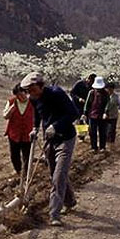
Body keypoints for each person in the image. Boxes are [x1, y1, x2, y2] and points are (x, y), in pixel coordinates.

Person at [20, 72, 79, 227]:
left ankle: (54, 214)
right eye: (28, 91)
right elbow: (38, 115)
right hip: (50, 139)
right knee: (55, 173)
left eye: (32, 90)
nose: (30, 94)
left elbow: (73, 113)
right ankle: (70, 201)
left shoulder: (57, 93)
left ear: (41, 85)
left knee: (59, 176)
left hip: (66, 138)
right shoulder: (34, 99)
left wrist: (56, 126)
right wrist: (34, 128)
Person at [3, 83, 34, 179]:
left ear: (26, 92)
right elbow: (5, 116)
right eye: (18, 95)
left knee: (27, 156)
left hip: (27, 134)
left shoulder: (33, 102)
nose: (20, 97)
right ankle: (19, 172)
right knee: (14, 155)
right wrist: (10, 110)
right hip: (14, 134)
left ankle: (27, 174)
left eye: (22, 94)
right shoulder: (11, 102)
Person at [84, 76, 110, 153]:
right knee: (92, 132)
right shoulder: (91, 93)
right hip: (92, 115)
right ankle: (94, 147)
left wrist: (105, 112)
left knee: (102, 132)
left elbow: (108, 103)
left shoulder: (106, 93)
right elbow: (87, 104)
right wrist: (85, 113)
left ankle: (102, 147)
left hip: (102, 116)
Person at [103, 82, 120, 150]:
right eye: (108, 89)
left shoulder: (116, 97)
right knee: (105, 130)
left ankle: (112, 143)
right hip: (104, 116)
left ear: (113, 89)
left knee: (112, 130)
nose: (109, 90)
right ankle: (106, 143)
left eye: (111, 89)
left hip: (113, 116)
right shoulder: (103, 96)